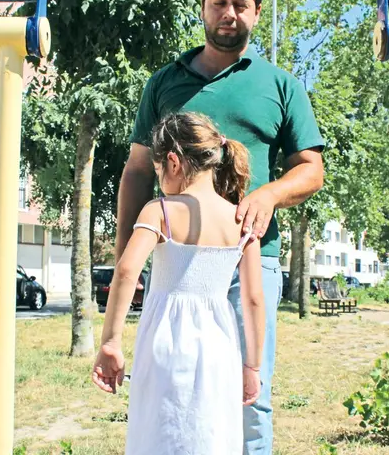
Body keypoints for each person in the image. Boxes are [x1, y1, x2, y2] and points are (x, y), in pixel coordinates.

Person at [114, 0, 324, 453]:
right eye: (219, 1)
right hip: (176, 264)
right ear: (203, 6)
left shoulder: (281, 86)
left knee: (250, 393)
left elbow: (311, 169)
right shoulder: (164, 82)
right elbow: (138, 172)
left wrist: (269, 193)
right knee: (172, 388)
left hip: (251, 257)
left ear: (256, 13)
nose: (229, 12)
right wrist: (130, 257)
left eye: (240, 3)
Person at [92, 112, 266, 454]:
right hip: (220, 347)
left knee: (160, 434)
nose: (160, 181)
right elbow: (254, 299)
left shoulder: (160, 211)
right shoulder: (242, 219)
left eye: (158, 172)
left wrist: (111, 342)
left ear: (172, 161)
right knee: (211, 434)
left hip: (164, 343)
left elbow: (127, 272)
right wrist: (253, 366)